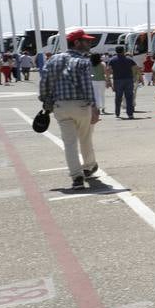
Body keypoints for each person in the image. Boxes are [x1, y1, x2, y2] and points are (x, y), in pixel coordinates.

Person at [38, 29, 100, 189]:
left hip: (60, 106)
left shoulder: (53, 60)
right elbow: (87, 86)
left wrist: (46, 102)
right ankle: (88, 166)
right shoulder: (82, 61)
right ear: (77, 42)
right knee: (85, 137)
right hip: (80, 105)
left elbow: (44, 82)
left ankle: (76, 177)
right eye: (86, 41)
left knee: (69, 143)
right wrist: (94, 106)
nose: (89, 43)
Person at [106, 45, 140, 119]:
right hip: (128, 80)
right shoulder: (129, 59)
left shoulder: (112, 60)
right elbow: (136, 68)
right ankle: (130, 114)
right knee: (129, 97)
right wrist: (136, 77)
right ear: (123, 51)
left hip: (117, 80)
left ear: (116, 51)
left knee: (118, 97)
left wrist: (108, 80)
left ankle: (117, 113)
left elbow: (108, 70)